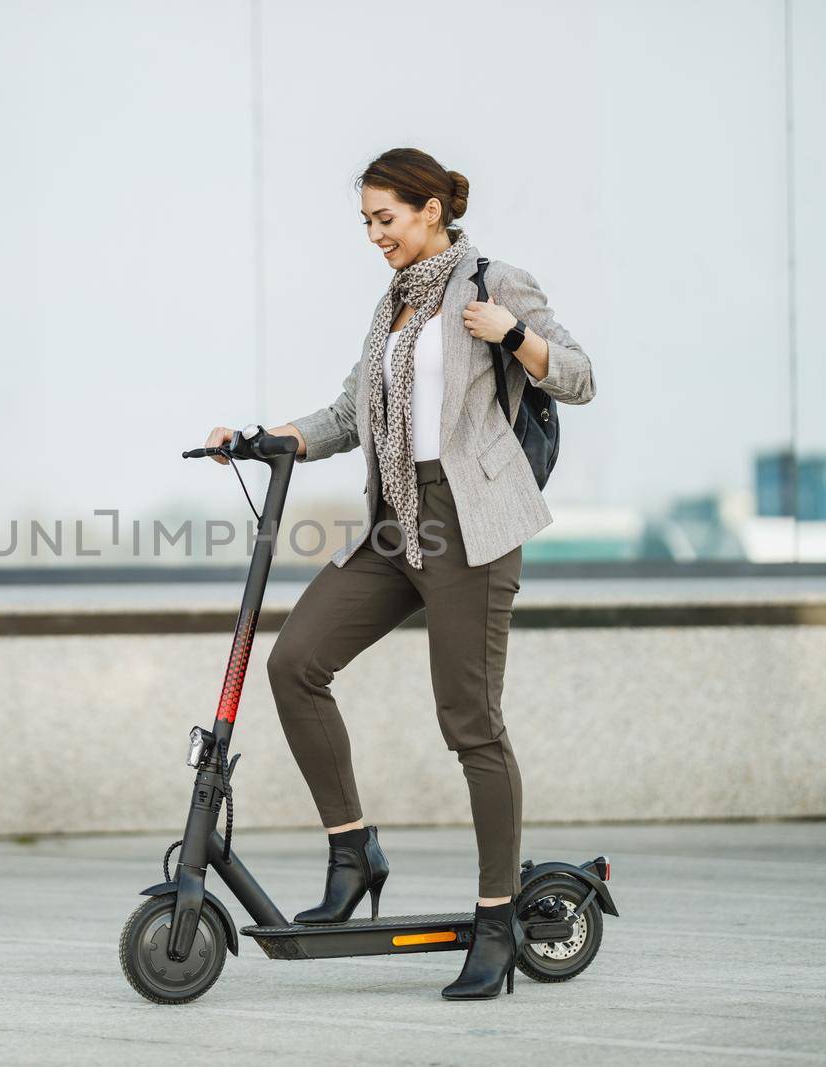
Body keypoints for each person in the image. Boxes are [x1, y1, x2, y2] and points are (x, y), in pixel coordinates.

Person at [203, 147, 595, 1000]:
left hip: (470, 525)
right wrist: (276, 437)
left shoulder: (493, 281)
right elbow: (352, 411)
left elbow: (580, 375)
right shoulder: (391, 307)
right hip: (396, 526)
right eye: (367, 223)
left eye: (385, 219)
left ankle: (495, 922)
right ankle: (353, 849)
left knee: (471, 723)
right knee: (294, 662)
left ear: (429, 210)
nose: (375, 236)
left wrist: (514, 334)